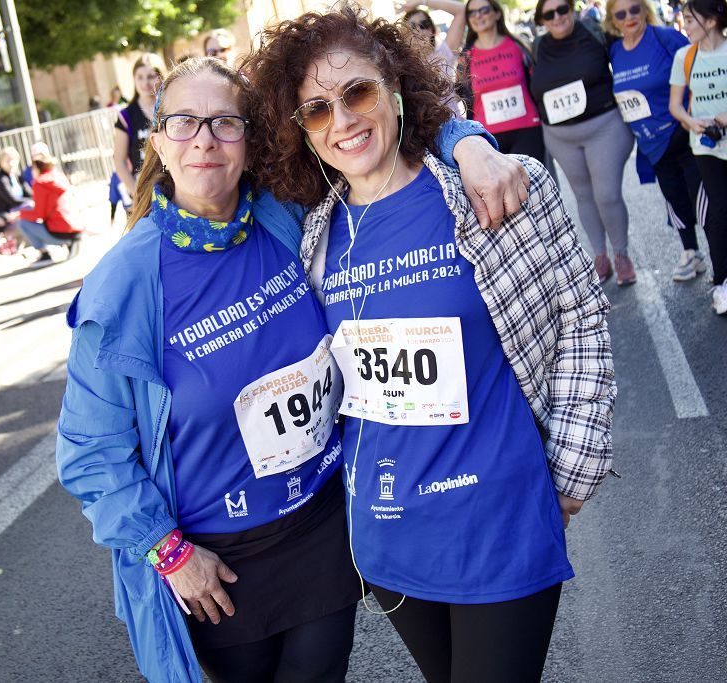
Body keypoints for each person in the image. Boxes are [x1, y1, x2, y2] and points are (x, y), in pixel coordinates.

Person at [56, 52, 528, 683]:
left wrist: (469, 143)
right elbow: (90, 451)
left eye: (226, 123)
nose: (205, 140)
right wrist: (167, 553)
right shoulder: (124, 285)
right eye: (184, 123)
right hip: (217, 567)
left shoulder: (286, 215)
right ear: (158, 141)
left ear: (252, 143)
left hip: (321, 532)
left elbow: (376, 131)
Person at [245, 4, 615, 681]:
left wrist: (572, 472)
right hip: (390, 542)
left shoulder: (495, 187)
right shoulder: (314, 240)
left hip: (498, 523)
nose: (344, 121)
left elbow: (582, 322)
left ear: (394, 86)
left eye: (356, 92)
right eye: (318, 110)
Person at [531, 0, 637, 284]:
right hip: (560, 137)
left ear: (572, 9)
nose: (557, 17)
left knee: (607, 194)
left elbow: (629, 55)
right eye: (549, 13)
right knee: (583, 196)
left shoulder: (595, 32)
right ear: (541, 19)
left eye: (562, 9)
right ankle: (600, 255)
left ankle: (622, 254)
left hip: (604, 128)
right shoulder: (537, 46)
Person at [608, 0, 709, 282]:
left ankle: (721, 264)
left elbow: (697, 66)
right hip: (652, 142)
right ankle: (691, 253)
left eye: (634, 10)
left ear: (644, 10)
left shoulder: (664, 38)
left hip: (684, 130)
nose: (629, 17)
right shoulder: (615, 51)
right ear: (612, 20)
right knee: (674, 197)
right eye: (621, 13)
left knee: (703, 197)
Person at [669, 0, 727, 313]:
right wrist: (691, 121)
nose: (685, 27)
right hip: (706, 146)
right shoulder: (685, 56)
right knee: (719, 210)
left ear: (711, 20)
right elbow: (676, 105)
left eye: (690, 20)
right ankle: (722, 281)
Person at [463, 0, 547, 162]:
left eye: (484, 10)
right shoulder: (466, 57)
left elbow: (537, 84)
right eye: (471, 13)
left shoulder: (518, 46)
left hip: (527, 130)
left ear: (497, 14)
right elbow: (465, 99)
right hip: (488, 138)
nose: (478, 16)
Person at [113, 54, 165, 212]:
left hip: (174, 189)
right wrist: (137, 194)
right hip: (144, 192)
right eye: (140, 77)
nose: (145, 82)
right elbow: (119, 160)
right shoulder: (126, 116)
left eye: (151, 76)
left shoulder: (170, 108)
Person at [19, 146, 84, 262]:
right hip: (75, 226)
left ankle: (45, 254)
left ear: (37, 167)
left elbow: (39, 215)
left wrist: (20, 214)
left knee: (22, 223)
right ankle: (71, 242)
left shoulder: (40, 183)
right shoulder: (58, 175)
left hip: (60, 231)